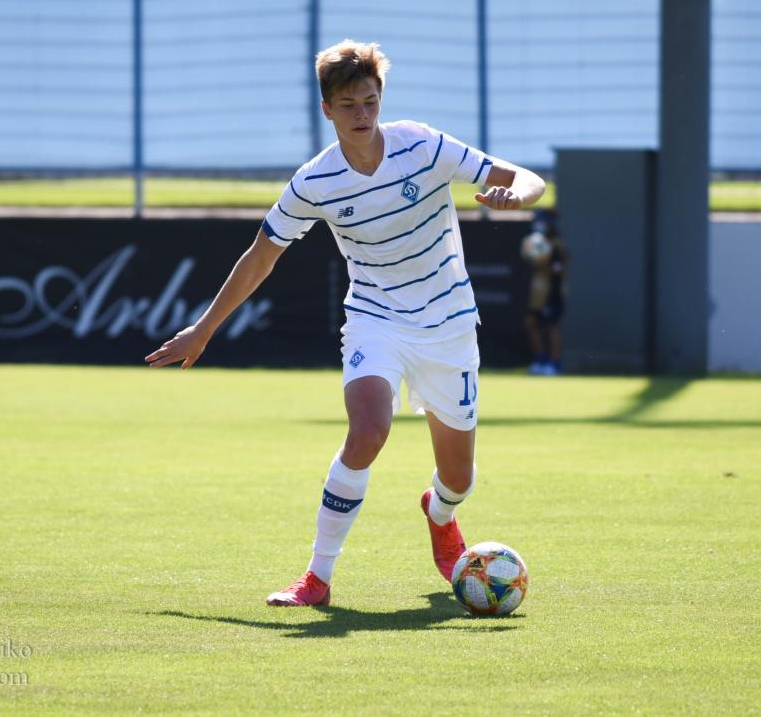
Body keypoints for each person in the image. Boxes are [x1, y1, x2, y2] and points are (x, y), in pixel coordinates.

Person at [145, 40, 546, 607]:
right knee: (367, 432)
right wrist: (204, 328)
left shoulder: (422, 144)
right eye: (349, 104)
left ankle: (440, 513)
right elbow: (261, 256)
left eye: (370, 101)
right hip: (375, 319)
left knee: (459, 479)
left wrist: (516, 196)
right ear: (327, 109)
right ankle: (317, 578)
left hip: (448, 324)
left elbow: (527, 177)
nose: (363, 114)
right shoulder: (316, 181)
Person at [521, 213, 567, 375]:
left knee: (551, 326)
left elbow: (560, 267)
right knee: (532, 323)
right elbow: (531, 259)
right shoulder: (534, 240)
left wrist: (550, 266)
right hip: (537, 293)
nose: (539, 225)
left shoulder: (556, 244)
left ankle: (555, 363)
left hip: (552, 291)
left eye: (543, 222)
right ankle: (540, 359)